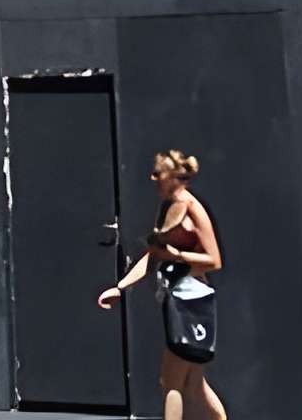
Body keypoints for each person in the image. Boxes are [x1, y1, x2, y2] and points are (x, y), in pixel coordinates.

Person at [98, 148, 229, 420]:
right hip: (175, 299)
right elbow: (153, 255)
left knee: (171, 382)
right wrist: (120, 287)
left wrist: (177, 256)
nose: (152, 177)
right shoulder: (166, 207)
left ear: (173, 176)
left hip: (192, 298)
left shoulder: (192, 209)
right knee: (194, 384)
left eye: (158, 173)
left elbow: (214, 260)